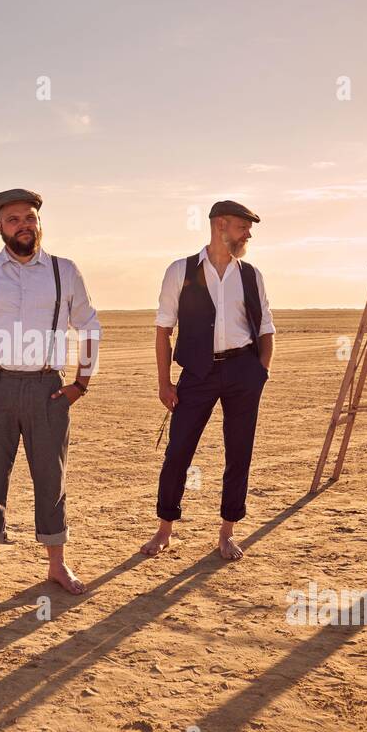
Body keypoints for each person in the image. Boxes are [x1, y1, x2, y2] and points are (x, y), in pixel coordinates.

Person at [0, 188, 101, 601]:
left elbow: (88, 326)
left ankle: (56, 564)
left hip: (49, 389)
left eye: (30, 218)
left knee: (52, 477)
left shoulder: (64, 270)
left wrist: (80, 385)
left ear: (39, 223)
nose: (24, 226)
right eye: (14, 220)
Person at [140, 200, 275, 561]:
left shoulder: (251, 274)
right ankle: (165, 528)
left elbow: (264, 328)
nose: (248, 234)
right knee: (178, 452)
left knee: (239, 452)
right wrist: (164, 383)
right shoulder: (180, 271)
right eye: (243, 227)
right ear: (220, 225)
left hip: (243, 371)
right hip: (197, 374)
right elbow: (163, 330)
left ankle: (227, 532)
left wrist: (260, 372)